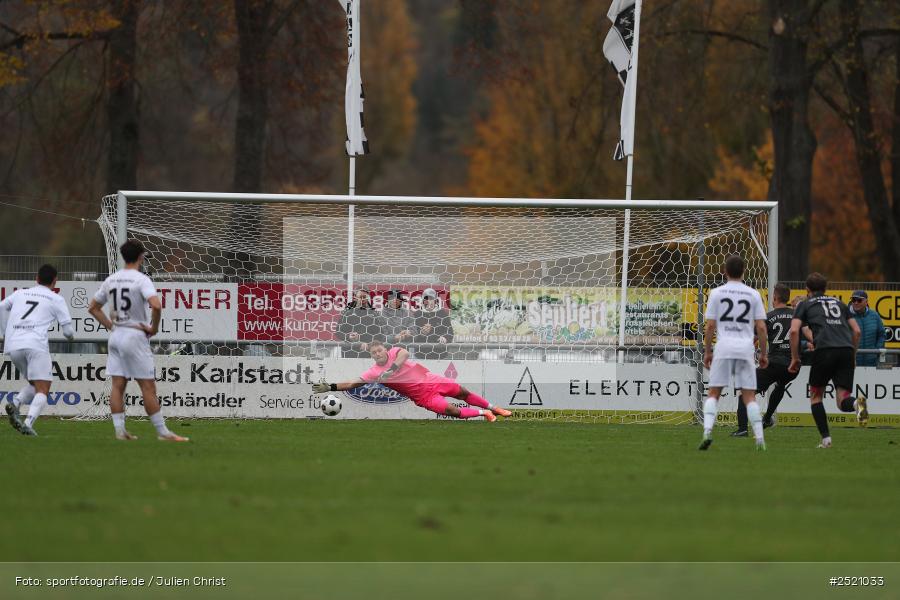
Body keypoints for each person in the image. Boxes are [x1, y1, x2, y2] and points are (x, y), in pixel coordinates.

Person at [88, 240, 188, 442]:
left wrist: (111, 326)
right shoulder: (141, 280)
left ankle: (120, 431)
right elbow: (156, 305)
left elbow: (93, 308)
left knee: (118, 385)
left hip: (116, 336)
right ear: (141, 257)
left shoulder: (111, 279)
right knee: (148, 387)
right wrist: (154, 328)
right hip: (134, 335)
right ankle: (162, 432)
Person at [312, 340, 512, 421]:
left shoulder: (394, 352)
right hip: (423, 397)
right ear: (372, 356)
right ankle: (484, 413)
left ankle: (495, 408)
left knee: (463, 393)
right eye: (374, 352)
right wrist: (330, 386)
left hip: (430, 379)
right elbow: (352, 383)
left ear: (384, 349)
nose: (378, 353)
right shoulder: (374, 372)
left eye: (379, 350)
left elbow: (405, 354)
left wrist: (391, 370)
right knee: (453, 411)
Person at [699, 255, 768, 451]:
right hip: (745, 348)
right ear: (744, 271)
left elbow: (710, 325)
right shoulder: (753, 294)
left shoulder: (717, 293)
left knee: (714, 393)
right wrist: (763, 354)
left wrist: (707, 351)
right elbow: (761, 328)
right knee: (749, 396)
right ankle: (760, 438)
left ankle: (707, 433)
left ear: (725, 271)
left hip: (724, 346)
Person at [789, 272, 865, 447]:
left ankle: (826, 440)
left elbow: (794, 331)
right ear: (826, 288)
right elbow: (857, 331)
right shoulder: (839, 303)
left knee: (816, 397)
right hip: (846, 350)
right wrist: (852, 356)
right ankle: (857, 404)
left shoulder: (805, 304)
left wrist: (795, 357)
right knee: (842, 399)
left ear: (807, 289)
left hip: (825, 351)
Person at [0, 264, 74, 435]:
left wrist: (5, 333)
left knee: (34, 384)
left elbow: (1, 307)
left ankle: (16, 403)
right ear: (55, 281)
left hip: (14, 346)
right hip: (35, 344)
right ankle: (28, 423)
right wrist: (70, 337)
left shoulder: (20, 293)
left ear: (36, 278)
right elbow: (68, 331)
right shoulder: (55, 299)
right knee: (43, 388)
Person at [732, 283, 805, 436]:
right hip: (793, 367)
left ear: (775, 298)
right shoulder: (797, 317)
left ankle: (742, 429)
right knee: (781, 384)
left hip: (774, 363)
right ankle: (766, 419)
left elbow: (754, 338)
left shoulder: (768, 317)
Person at [335, 288, 386, 358]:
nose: (362, 299)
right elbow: (338, 332)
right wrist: (348, 336)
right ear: (355, 298)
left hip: (367, 352)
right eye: (360, 297)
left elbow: (380, 334)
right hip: (349, 352)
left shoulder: (374, 314)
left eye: (365, 297)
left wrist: (368, 343)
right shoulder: (347, 313)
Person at [412, 288, 453, 359]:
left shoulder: (442, 313)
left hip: (440, 354)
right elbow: (412, 333)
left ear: (435, 300)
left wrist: (445, 337)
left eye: (431, 299)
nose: (428, 301)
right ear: (422, 300)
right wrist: (421, 334)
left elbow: (450, 331)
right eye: (426, 299)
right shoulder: (417, 314)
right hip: (421, 354)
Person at [848, 290, 885, 367]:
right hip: (851, 362)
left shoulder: (875, 315)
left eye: (859, 300)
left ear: (866, 302)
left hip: (872, 362)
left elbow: (881, 335)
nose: (856, 302)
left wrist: (876, 351)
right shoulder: (846, 315)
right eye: (853, 300)